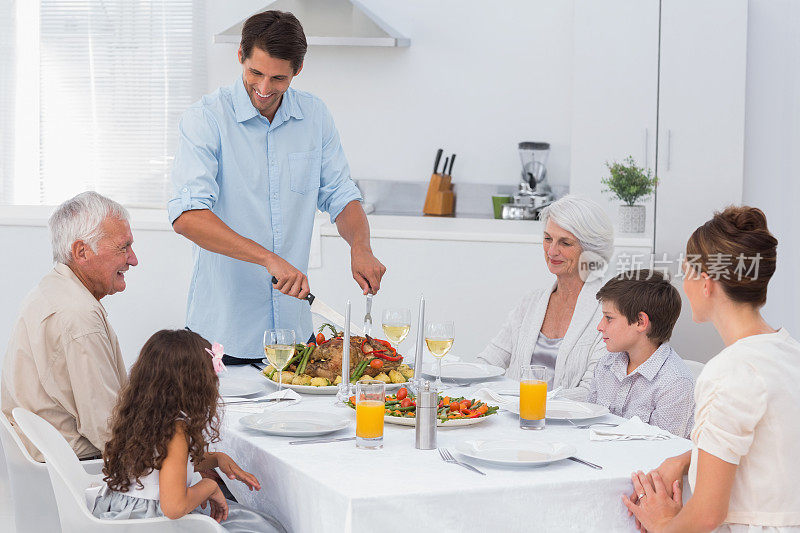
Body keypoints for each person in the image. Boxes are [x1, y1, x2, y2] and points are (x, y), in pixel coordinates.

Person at [168, 10, 385, 361]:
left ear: (297, 70)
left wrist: (361, 246)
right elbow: (187, 216)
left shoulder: (315, 117)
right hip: (223, 336)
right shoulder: (206, 119)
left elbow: (341, 195)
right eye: (256, 72)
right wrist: (269, 260)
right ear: (240, 55)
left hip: (295, 338)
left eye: (279, 78)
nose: (264, 89)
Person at [623, 206, 800, 532]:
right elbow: (763, 441)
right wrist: (686, 457)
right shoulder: (788, 352)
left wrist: (662, 525)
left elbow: (707, 513)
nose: (683, 284)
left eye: (686, 272)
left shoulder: (729, 371)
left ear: (706, 283)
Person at [91, 329, 285, 532]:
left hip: (124, 510)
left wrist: (217, 458)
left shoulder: (145, 416)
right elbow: (174, 508)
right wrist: (209, 486)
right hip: (151, 522)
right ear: (195, 384)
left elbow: (161, 466)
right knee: (265, 527)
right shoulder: (175, 432)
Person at [1, 191, 136, 461]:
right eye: (123, 247)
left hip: (42, 453)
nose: (133, 259)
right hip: (74, 465)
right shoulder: (79, 315)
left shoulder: (51, 288)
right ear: (82, 252)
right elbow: (109, 432)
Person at [478, 195, 614, 400]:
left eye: (565, 243)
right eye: (548, 238)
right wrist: (461, 381)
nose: (552, 251)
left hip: (566, 426)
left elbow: (590, 392)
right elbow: (490, 360)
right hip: (514, 417)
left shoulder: (608, 312)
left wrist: (530, 402)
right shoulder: (531, 303)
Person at [589, 269, 695, 437]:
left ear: (640, 322)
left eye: (609, 318)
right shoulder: (606, 365)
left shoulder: (675, 383)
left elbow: (665, 452)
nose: (600, 326)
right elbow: (587, 426)